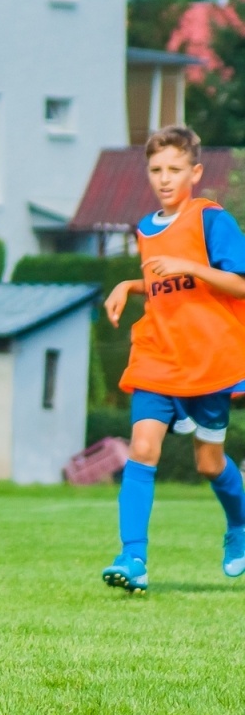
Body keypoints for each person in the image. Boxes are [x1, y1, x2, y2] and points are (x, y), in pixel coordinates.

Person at [102, 125, 245, 594]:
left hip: (208, 362)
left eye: (175, 169)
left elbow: (238, 284)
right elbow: (166, 285)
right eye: (156, 169)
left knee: (209, 464)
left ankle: (240, 527)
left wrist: (191, 266)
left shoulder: (211, 220)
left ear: (195, 172)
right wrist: (129, 284)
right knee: (142, 449)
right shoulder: (145, 228)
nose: (165, 178)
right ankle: (133, 558)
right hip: (157, 359)